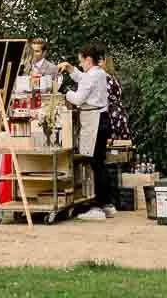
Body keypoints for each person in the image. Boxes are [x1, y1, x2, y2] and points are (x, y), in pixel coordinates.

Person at [62, 46, 112, 221]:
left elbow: (78, 99)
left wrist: (65, 91)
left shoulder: (92, 76)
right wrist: (70, 69)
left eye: (80, 61)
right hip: (101, 117)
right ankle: (106, 204)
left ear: (88, 60)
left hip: (95, 120)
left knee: (96, 163)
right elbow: (82, 78)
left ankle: (98, 207)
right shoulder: (98, 73)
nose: (80, 64)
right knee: (99, 162)